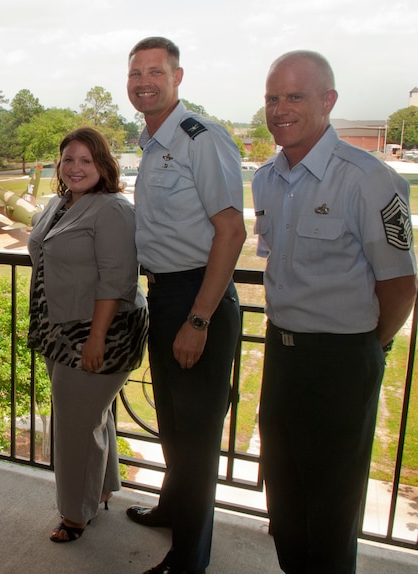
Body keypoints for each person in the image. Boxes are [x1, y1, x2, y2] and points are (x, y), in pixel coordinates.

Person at [253, 51, 417, 574]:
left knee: (331, 504)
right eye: (272, 97)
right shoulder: (267, 180)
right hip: (282, 355)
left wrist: (368, 345)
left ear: (328, 101)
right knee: (282, 492)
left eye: (295, 96)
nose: (280, 109)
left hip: (342, 360)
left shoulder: (368, 180)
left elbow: (401, 285)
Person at [125, 37, 246, 574]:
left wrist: (199, 318)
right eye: (135, 73)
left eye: (155, 71)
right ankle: (174, 509)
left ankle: (189, 561)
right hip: (166, 292)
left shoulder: (202, 138)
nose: (143, 81)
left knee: (195, 439)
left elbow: (231, 231)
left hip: (201, 296)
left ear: (178, 77)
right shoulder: (151, 143)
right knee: (172, 422)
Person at [27, 127, 148, 543]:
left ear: (103, 165)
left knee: (76, 425)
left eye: (86, 160)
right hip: (58, 327)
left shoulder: (112, 209)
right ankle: (99, 489)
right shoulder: (59, 203)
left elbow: (117, 280)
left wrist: (95, 338)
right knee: (90, 417)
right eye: (68, 159)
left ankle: (75, 515)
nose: (75, 168)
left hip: (99, 331)